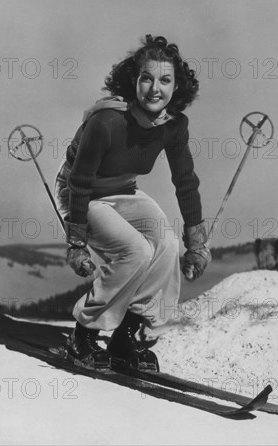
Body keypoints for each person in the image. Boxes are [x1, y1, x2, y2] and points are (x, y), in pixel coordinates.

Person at [54, 34, 212, 370]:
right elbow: (80, 180)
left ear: (176, 86)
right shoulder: (107, 120)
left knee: (166, 243)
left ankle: (126, 335)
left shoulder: (173, 125)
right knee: (135, 251)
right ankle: (82, 335)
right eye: (146, 78)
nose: (155, 89)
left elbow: (185, 182)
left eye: (165, 80)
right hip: (80, 193)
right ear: (133, 81)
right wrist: (77, 241)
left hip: (123, 190)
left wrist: (196, 244)